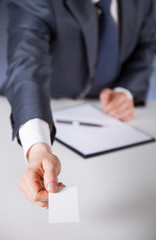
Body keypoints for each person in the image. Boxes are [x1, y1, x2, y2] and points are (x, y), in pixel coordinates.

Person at [4, 0, 154, 209]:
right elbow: (27, 67)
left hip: (103, 113)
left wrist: (126, 91)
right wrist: (38, 147)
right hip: (40, 99)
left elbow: (146, 44)